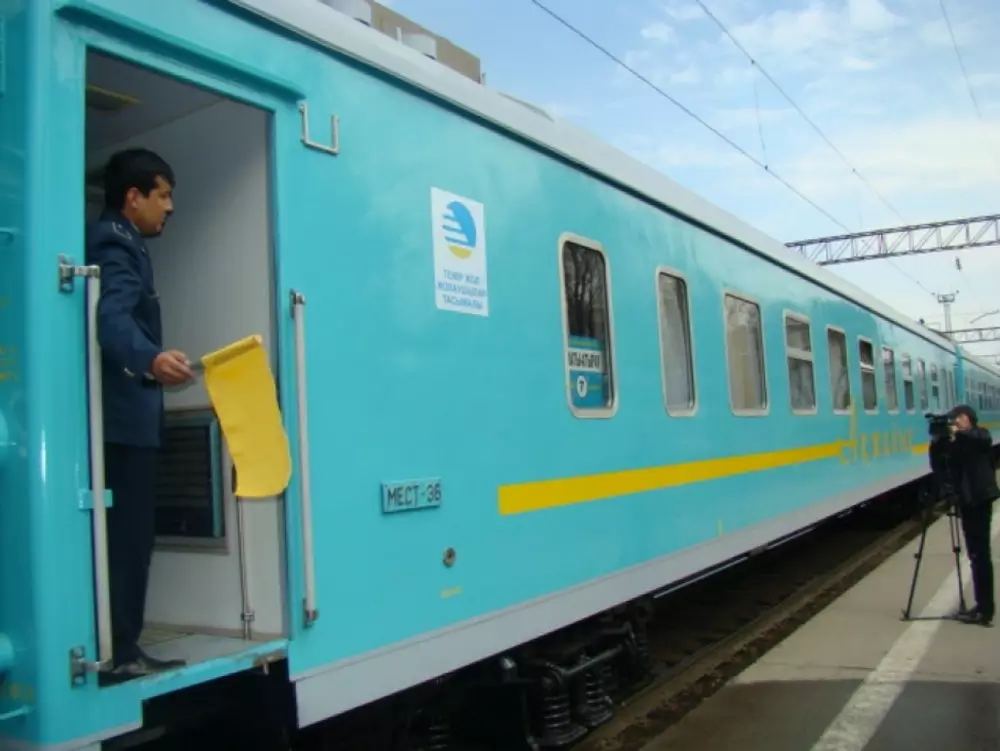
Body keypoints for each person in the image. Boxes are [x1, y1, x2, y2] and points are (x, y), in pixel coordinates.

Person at [85, 148, 196, 680]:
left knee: (124, 539)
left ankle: (118, 645)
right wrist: (150, 358)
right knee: (129, 541)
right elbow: (111, 317)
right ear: (134, 197)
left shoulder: (121, 241)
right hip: (124, 424)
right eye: (164, 194)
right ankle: (122, 652)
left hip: (120, 421)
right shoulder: (116, 242)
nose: (169, 207)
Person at [947, 404, 999, 626]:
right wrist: (940, 442)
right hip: (968, 503)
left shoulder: (980, 435)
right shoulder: (959, 442)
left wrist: (959, 434)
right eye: (954, 418)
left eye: (960, 417)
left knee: (981, 556)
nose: (956, 421)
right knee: (975, 556)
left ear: (970, 418)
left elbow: (980, 440)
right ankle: (981, 605)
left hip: (979, 501)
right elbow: (944, 465)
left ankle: (985, 610)